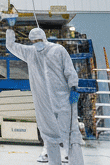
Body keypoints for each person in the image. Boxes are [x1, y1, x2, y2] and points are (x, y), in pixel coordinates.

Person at [5, 20, 82, 165]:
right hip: (44, 104)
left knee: (71, 134)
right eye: (33, 41)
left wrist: (73, 87)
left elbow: (69, 70)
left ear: (44, 38)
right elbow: (11, 46)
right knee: (50, 137)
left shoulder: (58, 50)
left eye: (38, 40)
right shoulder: (30, 52)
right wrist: (10, 29)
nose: (36, 43)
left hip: (63, 99)